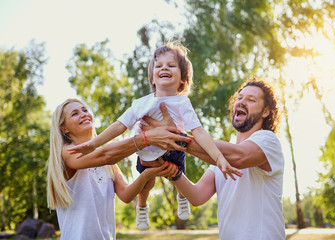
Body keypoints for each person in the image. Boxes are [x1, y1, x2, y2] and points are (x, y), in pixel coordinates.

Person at [67, 42, 242, 230]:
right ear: (152, 77)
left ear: (183, 79)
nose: (164, 68)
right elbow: (119, 126)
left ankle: (181, 197)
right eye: (159, 65)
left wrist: (219, 158)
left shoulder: (183, 103)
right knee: (147, 183)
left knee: (179, 174)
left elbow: (198, 131)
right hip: (146, 152)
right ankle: (142, 206)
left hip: (174, 149)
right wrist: (94, 143)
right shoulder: (141, 104)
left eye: (171, 65)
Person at [145, 77, 285, 239]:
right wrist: (173, 173)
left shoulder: (268, 140)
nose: (242, 102)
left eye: (251, 100)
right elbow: (197, 196)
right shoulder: (218, 156)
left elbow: (239, 157)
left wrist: (175, 137)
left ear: (266, 112)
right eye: (239, 98)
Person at [46, 98, 187, 240]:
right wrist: (147, 138)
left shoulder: (109, 162)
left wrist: (148, 174)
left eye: (84, 110)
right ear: (64, 128)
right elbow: (105, 155)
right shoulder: (67, 152)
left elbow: (126, 195)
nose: (84, 114)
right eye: (74, 113)